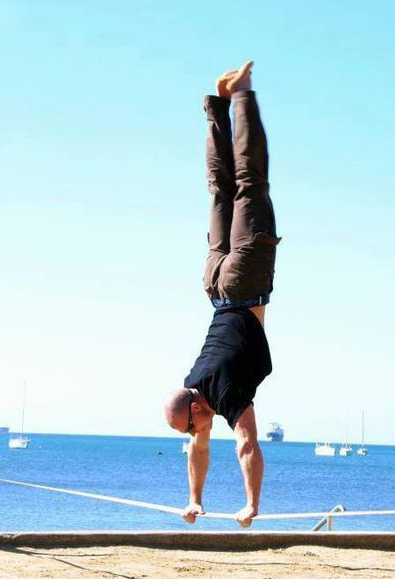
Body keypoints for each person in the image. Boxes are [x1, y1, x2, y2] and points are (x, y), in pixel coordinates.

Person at [163, 61, 280, 528]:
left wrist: (252, 505)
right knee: (219, 190)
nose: (197, 435)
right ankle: (218, 104)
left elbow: (247, 444)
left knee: (251, 185)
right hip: (214, 284)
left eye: (193, 426)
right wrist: (196, 499)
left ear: (196, 408)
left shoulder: (225, 393)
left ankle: (243, 93)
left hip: (244, 281)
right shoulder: (196, 380)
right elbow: (200, 446)